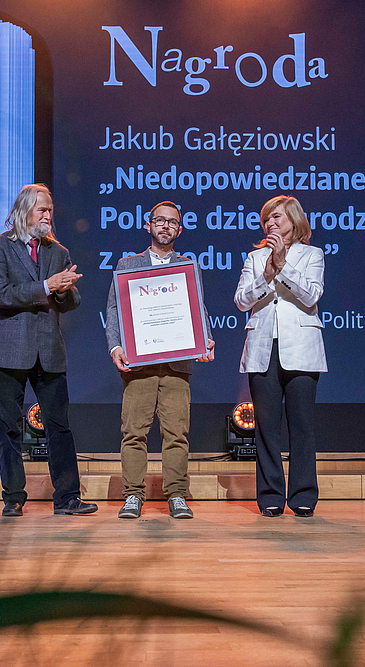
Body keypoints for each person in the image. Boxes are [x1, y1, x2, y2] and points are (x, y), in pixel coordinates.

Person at [0, 183, 97, 517]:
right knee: (9, 427)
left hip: (48, 350)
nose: (47, 215)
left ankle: (67, 498)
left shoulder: (57, 251)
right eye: (41, 209)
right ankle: (14, 497)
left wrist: (64, 290)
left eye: (50, 209)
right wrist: (48, 286)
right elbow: (1, 294)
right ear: (23, 212)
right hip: (9, 350)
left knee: (59, 426)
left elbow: (71, 301)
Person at [105, 201, 215, 520]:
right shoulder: (128, 265)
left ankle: (177, 494)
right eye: (159, 221)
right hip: (139, 363)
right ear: (148, 225)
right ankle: (133, 496)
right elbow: (114, 310)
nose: (165, 226)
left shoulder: (188, 267)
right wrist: (115, 347)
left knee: (176, 432)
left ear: (178, 230)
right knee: (134, 432)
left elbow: (199, 308)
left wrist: (205, 339)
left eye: (172, 222)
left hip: (177, 364)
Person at [234, 195, 327, 518]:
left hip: (301, 347)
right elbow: (242, 301)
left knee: (302, 425)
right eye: (266, 220)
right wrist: (266, 273)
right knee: (266, 427)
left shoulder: (312, 255)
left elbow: (312, 294)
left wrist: (283, 265)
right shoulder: (255, 258)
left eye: (276, 218)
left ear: (294, 220)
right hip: (263, 348)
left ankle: (303, 494)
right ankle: (271, 495)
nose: (270, 224)